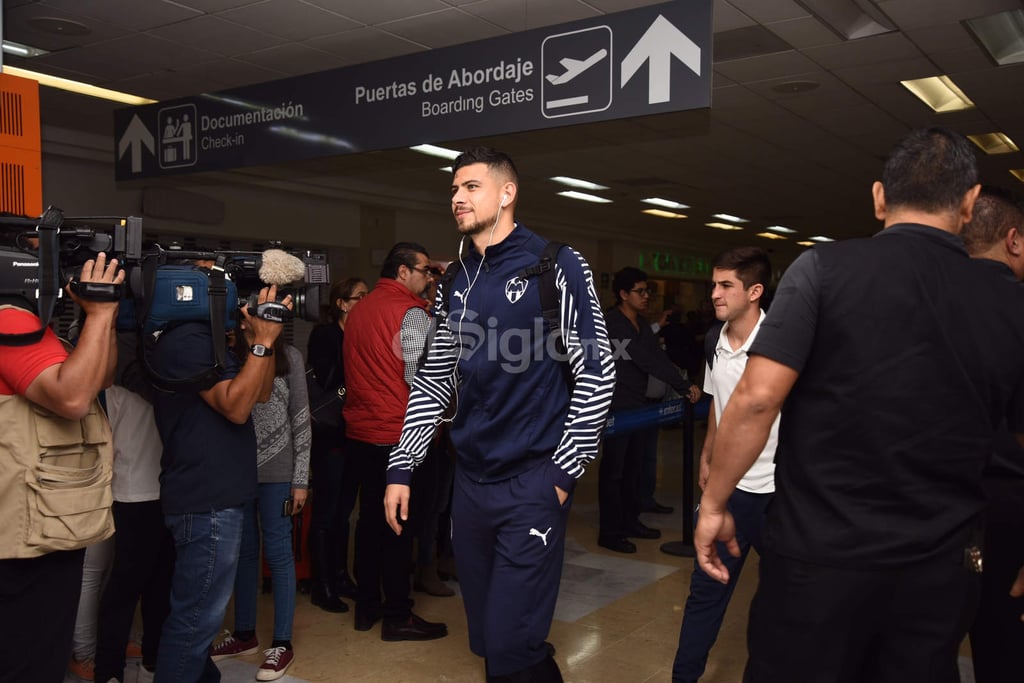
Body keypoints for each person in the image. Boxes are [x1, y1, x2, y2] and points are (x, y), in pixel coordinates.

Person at [694, 127, 1024, 682]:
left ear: (878, 198)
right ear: (968, 205)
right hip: (937, 569)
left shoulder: (822, 270)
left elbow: (755, 401)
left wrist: (713, 505)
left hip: (817, 561)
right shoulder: (1009, 303)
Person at [385, 147, 615, 681]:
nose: (458, 198)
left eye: (471, 187)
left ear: (507, 194)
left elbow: (598, 371)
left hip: (532, 482)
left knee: (513, 644)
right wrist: (403, 465)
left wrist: (560, 476)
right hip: (471, 485)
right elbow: (436, 377)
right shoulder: (458, 278)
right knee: (492, 642)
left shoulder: (555, 263)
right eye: (453, 189)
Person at [150, 272, 292, 683]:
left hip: (220, 494)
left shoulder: (210, 339)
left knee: (201, 623)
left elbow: (259, 393)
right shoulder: (185, 341)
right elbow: (236, 407)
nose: (226, 291)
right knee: (194, 623)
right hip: (205, 499)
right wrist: (263, 342)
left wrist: (258, 341)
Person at [0, 250, 123, 683]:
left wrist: (102, 317)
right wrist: (102, 310)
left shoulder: (32, 323)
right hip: (26, 535)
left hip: (46, 524)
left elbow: (100, 378)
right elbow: (73, 398)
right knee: (30, 663)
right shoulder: (9, 319)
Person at [671, 247, 775, 683]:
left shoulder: (783, 342)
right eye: (714, 284)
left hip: (779, 493)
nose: (714, 293)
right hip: (729, 493)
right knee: (706, 594)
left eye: (725, 285)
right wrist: (708, 454)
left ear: (755, 291)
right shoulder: (715, 338)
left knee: (782, 602)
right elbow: (716, 403)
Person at [343, 242, 447, 641]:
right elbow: (420, 378)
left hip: (361, 433)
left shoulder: (361, 309)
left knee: (369, 522)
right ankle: (398, 614)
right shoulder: (412, 314)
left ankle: (367, 606)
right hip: (400, 435)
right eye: (425, 270)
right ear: (403, 272)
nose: (429, 277)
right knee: (401, 526)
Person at [210, 324, 311, 681]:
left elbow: (300, 419)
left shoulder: (290, 358)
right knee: (244, 553)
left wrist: (300, 480)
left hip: (279, 472)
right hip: (238, 471)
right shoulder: (230, 355)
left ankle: (282, 643)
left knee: (279, 552)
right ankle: (244, 634)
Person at [960, 185, 1024, 683]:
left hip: (929, 507)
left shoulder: (921, 302)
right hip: (1007, 509)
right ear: (1014, 240)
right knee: (1003, 647)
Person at [599, 267, 699, 554]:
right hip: (617, 407)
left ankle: (630, 522)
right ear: (623, 295)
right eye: (640, 292)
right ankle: (610, 531)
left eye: (647, 292)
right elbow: (646, 360)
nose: (646, 297)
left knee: (634, 468)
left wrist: (683, 383)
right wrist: (680, 384)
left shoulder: (640, 324)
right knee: (614, 471)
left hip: (638, 406)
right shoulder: (613, 323)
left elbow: (657, 356)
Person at [307, 277, 367, 612]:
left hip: (355, 432)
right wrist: (355, 346)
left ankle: (341, 576)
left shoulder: (362, 334)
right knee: (327, 513)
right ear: (342, 304)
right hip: (329, 434)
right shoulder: (325, 335)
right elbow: (328, 378)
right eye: (360, 297)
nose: (366, 302)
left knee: (345, 513)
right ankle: (322, 584)